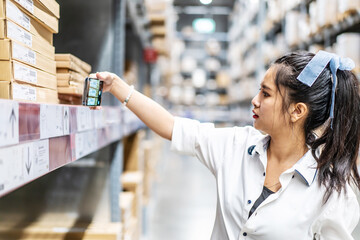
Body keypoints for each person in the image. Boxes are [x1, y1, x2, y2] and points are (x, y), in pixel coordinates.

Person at [90, 51, 360, 239]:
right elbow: (172, 126)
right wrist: (119, 88)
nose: (254, 100)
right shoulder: (237, 146)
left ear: (297, 111)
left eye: (265, 94)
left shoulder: (334, 191)